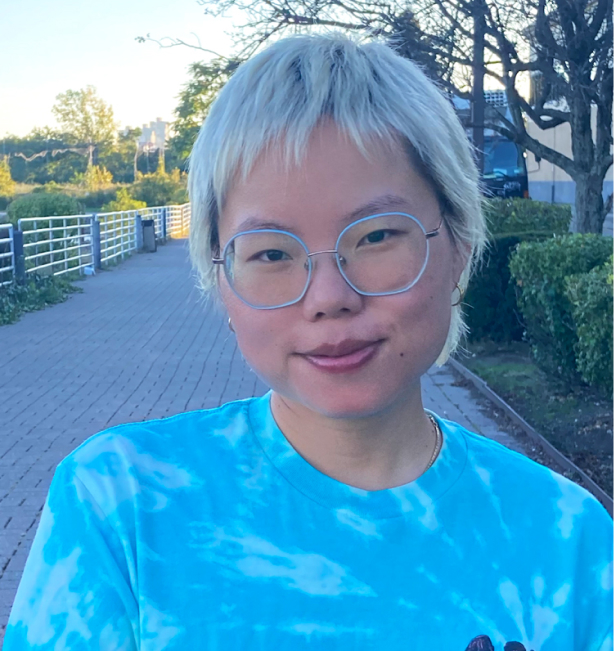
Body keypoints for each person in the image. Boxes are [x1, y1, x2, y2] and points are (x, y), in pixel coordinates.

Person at [4, 33, 612, 651]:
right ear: (221, 278)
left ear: (457, 244)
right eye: (271, 252)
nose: (327, 296)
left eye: (375, 237)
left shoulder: (567, 539)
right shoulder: (120, 506)